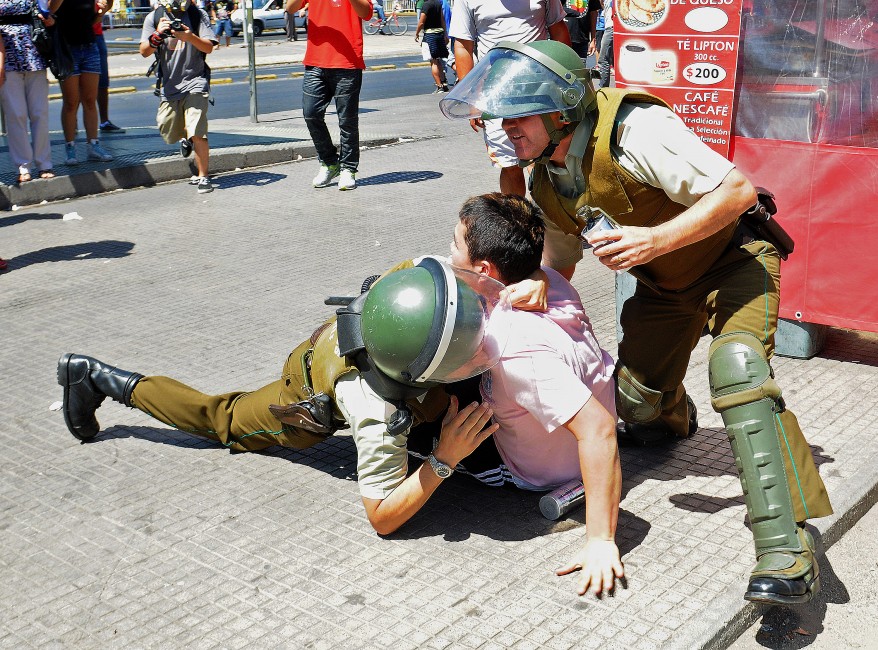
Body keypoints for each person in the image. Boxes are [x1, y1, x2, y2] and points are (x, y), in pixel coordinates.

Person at [439, 40, 834, 605]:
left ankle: (787, 550)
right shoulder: (547, 178)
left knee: (738, 370)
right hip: (666, 287)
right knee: (638, 405)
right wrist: (540, 280)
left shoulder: (634, 128)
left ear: (562, 109)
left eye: (518, 113)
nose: (506, 127)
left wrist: (655, 240)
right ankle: (673, 415)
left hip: (734, 262)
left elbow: (737, 190)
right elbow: (561, 258)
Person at [450, 193, 623, 596]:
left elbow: (598, 431)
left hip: (532, 473)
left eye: (455, 243)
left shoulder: (514, 349)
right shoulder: (548, 278)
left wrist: (600, 540)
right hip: (554, 428)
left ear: (484, 269)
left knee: (422, 414)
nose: (449, 249)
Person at [448, 0, 570, 196]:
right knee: (510, 164)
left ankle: (552, 219)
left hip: (540, 90)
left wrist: (567, 79)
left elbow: (558, 30)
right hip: (495, 94)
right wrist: (473, 98)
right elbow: (463, 45)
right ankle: (518, 222)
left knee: (547, 156)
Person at [285, 0, 370, 191]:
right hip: (316, 62)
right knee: (311, 113)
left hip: (348, 62)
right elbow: (290, 8)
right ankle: (330, 162)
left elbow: (366, 12)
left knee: (347, 121)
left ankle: (348, 168)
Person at [140, 0, 218, 194]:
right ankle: (187, 137)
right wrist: (157, 35)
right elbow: (144, 51)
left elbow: (208, 47)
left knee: (198, 129)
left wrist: (189, 36)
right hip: (170, 86)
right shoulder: (154, 17)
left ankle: (203, 176)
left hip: (196, 81)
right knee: (168, 129)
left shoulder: (196, 15)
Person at [0, 0, 59, 183]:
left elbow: (49, 11)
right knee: (15, 114)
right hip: (7, 57)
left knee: (39, 112)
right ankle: (23, 165)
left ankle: (44, 163)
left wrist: (51, 20)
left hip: (35, 53)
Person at [54, 0, 115, 165]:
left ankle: (93, 145)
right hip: (66, 50)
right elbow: (51, 11)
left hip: (89, 47)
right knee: (71, 102)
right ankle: (70, 148)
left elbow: (91, 21)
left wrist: (101, 12)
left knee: (89, 100)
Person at [95, 0, 125, 134]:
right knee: (78, 82)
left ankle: (104, 121)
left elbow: (107, 6)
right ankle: (74, 123)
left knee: (102, 81)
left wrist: (103, 9)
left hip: (96, 35)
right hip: (78, 36)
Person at [414, 0, 449, 93]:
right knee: (438, 60)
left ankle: (439, 86)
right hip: (439, 34)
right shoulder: (438, 3)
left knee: (433, 62)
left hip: (429, 36)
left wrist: (417, 33)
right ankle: (444, 83)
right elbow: (442, 20)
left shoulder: (426, 5)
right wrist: (445, 34)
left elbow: (421, 22)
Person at [595, 0, 611, 89]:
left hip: (611, 28)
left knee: (603, 60)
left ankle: (603, 89)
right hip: (607, 26)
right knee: (604, 59)